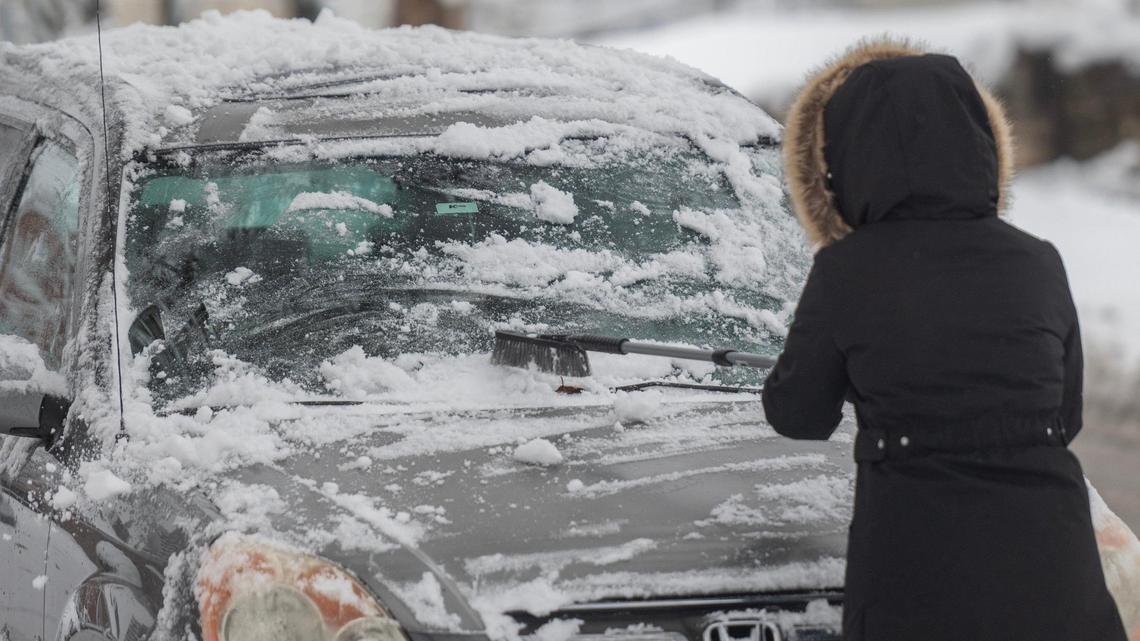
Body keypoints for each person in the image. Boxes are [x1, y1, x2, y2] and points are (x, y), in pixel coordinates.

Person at [761, 37, 1128, 641]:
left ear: (847, 161)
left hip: (919, 582)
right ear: (980, 144)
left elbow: (797, 414)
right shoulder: (1038, 261)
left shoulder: (847, 270)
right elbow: (1065, 414)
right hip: (1054, 572)